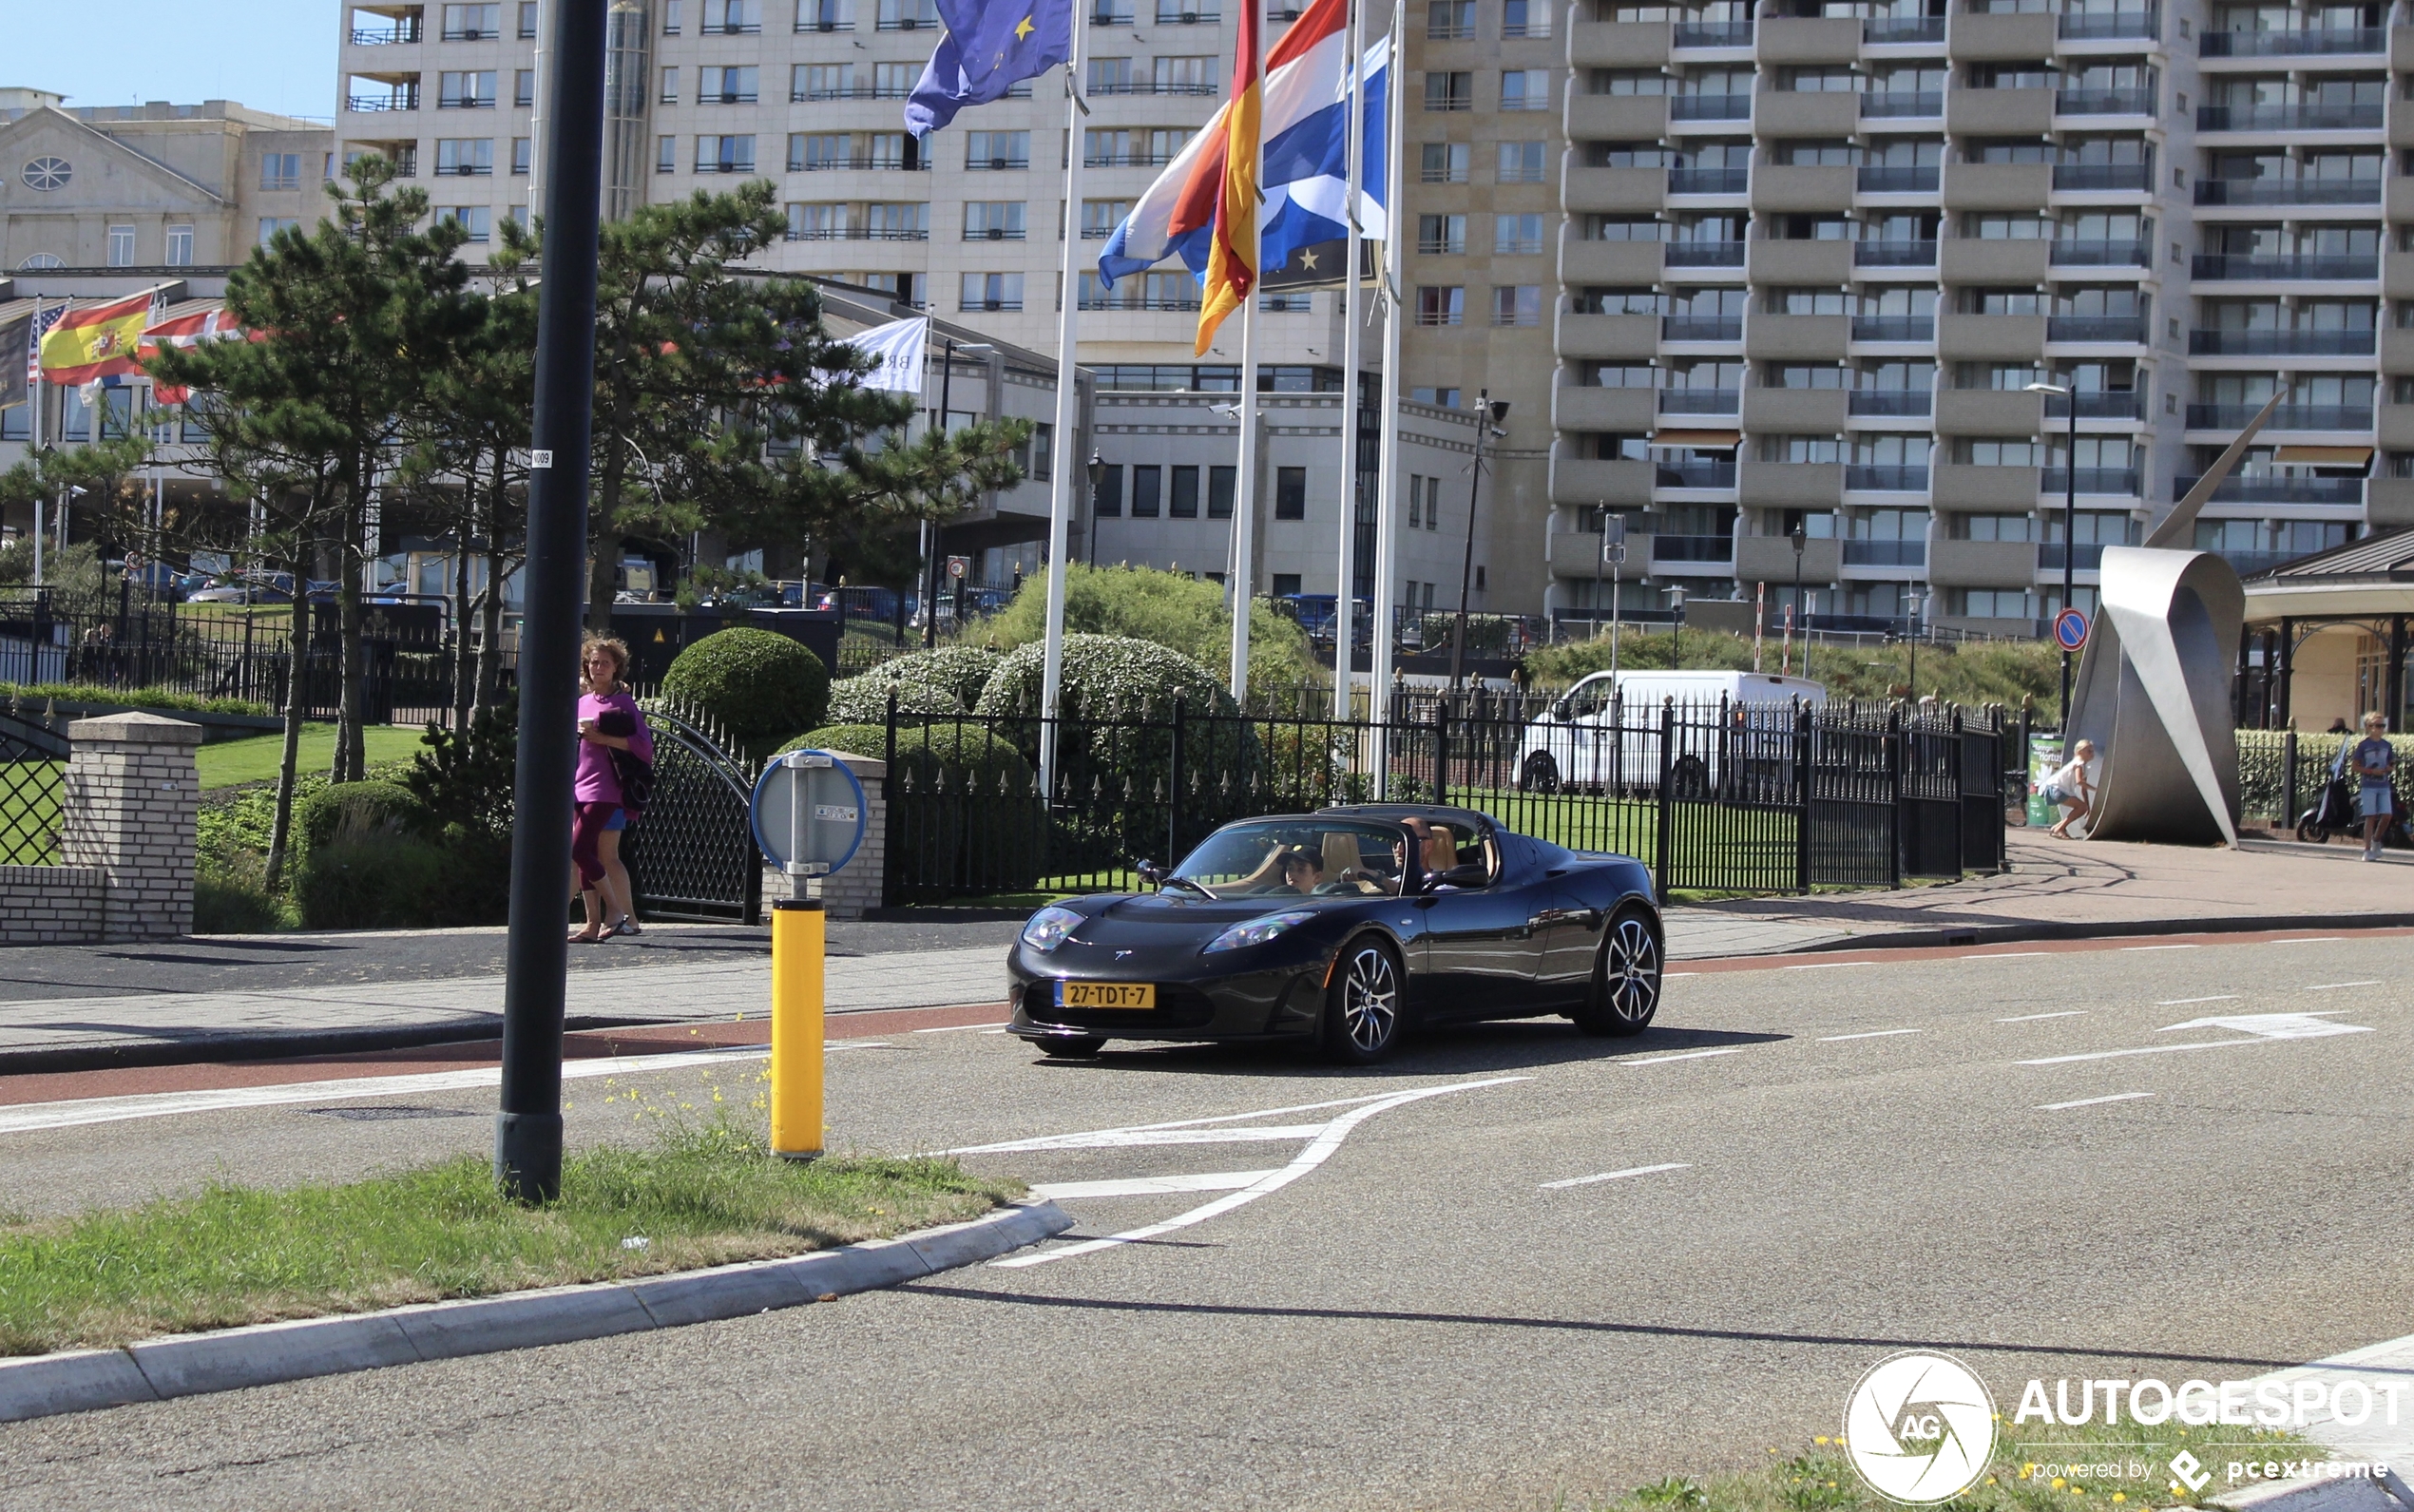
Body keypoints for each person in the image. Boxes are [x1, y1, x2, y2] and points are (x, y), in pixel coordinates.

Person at [570, 635, 653, 942]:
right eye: (594, 662)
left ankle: (616, 912)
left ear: (616, 667)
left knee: (580, 849)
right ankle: (592, 924)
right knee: (586, 854)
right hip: (579, 786)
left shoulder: (624, 703)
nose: (598, 667)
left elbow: (645, 748)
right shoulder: (582, 702)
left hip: (608, 790)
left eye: (605, 663)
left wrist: (605, 739)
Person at [2348, 712, 2395, 861]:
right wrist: (2370, 771)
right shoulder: (2364, 745)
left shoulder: (2387, 745)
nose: (2380, 728)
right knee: (2370, 816)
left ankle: (2376, 839)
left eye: (2382, 725)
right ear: (2368, 727)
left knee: (2387, 815)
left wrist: (2389, 768)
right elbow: (2355, 767)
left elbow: (2391, 762)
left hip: (2383, 784)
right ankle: (2367, 850)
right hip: (2368, 785)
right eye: (2377, 725)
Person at [2042, 738, 2098, 839]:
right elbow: (2079, 781)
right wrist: (2095, 789)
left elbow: (2083, 788)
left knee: (2082, 807)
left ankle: (2057, 827)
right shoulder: (2079, 763)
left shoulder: (2084, 767)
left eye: (2092, 751)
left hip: (2055, 789)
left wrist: (2087, 806)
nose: (2092, 753)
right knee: (2081, 807)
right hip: (2057, 789)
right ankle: (2060, 828)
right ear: (2080, 752)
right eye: (2089, 751)